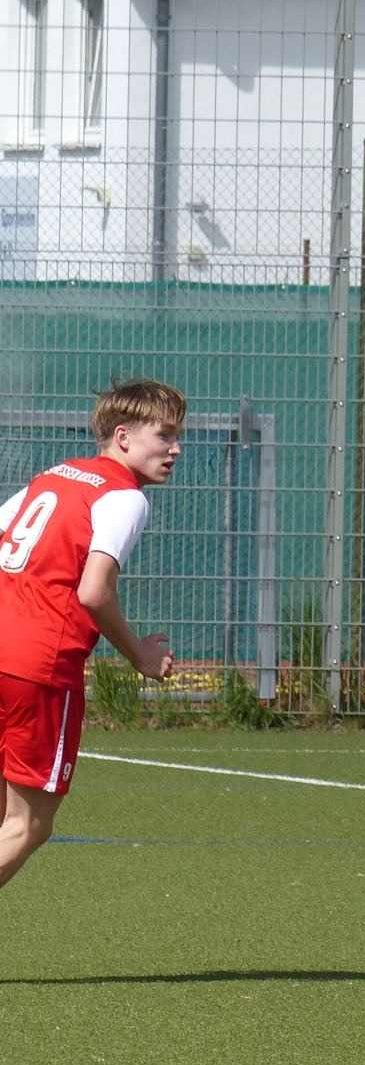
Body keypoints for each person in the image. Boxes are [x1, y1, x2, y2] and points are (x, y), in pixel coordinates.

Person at [0, 380, 180, 889]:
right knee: (28, 824)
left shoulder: (52, 477)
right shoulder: (125, 496)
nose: (175, 449)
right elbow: (94, 591)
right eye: (164, 435)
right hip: (39, 666)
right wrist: (140, 655)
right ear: (123, 437)